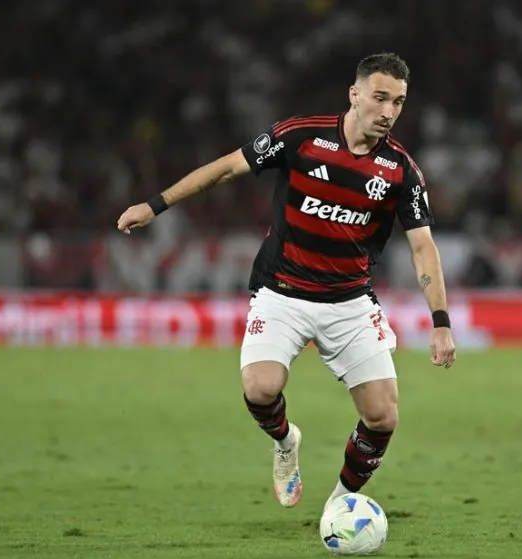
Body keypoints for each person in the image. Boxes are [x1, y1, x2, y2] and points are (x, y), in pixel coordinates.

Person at [117, 52, 456, 510]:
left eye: (397, 102)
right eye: (380, 98)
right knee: (260, 388)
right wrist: (154, 206)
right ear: (354, 95)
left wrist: (441, 321)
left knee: (383, 416)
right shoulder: (301, 136)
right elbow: (226, 169)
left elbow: (423, 247)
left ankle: (340, 505)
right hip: (282, 291)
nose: (388, 111)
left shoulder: (400, 170)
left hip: (350, 302)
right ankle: (285, 441)